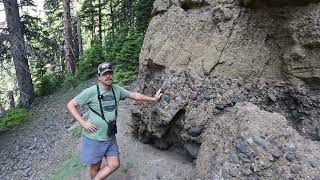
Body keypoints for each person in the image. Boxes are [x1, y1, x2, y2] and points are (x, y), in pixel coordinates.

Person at [67, 62, 162, 180]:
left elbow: (135, 95)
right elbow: (71, 105)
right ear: (99, 76)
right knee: (95, 167)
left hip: (110, 136)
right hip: (95, 137)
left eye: (110, 73)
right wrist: (83, 122)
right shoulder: (91, 91)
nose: (108, 76)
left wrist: (154, 99)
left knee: (114, 164)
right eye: (105, 74)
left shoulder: (117, 89)